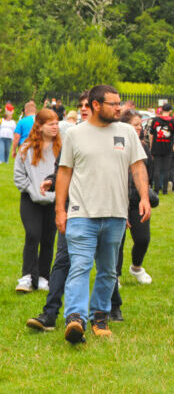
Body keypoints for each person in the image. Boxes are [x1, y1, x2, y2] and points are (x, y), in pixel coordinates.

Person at [55, 85, 150, 344]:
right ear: (96, 105)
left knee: (108, 271)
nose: (119, 108)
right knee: (80, 266)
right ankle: (75, 319)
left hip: (116, 214)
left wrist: (143, 196)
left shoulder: (127, 132)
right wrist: (60, 209)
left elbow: (138, 167)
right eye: (113, 104)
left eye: (120, 103)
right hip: (81, 213)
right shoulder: (75, 134)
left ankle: (99, 316)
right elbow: (64, 172)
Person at [25, 93, 93, 332]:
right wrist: (52, 181)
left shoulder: (109, 135)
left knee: (107, 265)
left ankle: (108, 310)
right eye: (81, 105)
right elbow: (62, 169)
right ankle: (50, 313)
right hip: (75, 209)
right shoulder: (72, 137)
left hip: (102, 210)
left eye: (88, 105)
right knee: (63, 260)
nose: (83, 109)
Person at [110, 110, 155, 321]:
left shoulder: (144, 147)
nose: (139, 128)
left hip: (137, 200)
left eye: (140, 125)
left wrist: (146, 196)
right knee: (117, 241)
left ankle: (136, 267)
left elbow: (148, 174)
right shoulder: (117, 145)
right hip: (118, 199)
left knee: (143, 238)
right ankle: (116, 275)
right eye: (135, 125)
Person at [14, 109, 62, 293]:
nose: (55, 127)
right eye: (51, 124)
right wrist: (32, 190)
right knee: (33, 235)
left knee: (49, 239)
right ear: (40, 126)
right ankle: (27, 276)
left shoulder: (62, 149)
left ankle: (43, 277)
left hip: (53, 200)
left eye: (57, 123)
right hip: (31, 199)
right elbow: (19, 176)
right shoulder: (26, 148)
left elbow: (64, 173)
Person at [149, 103, 174, 195]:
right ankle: (165, 190)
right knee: (166, 169)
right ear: (170, 111)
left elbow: (151, 134)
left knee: (156, 169)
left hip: (156, 147)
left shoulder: (155, 120)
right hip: (168, 148)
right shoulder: (173, 122)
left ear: (162, 110)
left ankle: (156, 189)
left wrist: (151, 146)